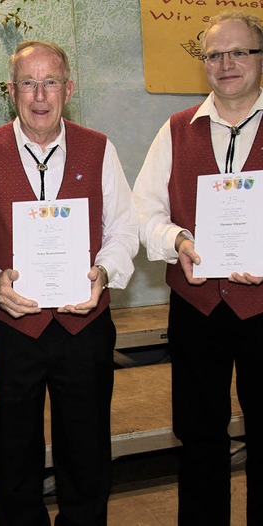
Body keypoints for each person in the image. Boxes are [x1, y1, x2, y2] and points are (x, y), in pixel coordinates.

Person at [0, 40, 138, 525]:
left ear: (69, 88)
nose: (39, 96)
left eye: (50, 83)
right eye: (28, 83)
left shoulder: (99, 148)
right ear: (11, 91)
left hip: (84, 330)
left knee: (86, 459)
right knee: (12, 460)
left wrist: (102, 273)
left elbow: (124, 228)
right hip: (11, 334)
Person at [133, 10, 263, 526]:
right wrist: (178, 240)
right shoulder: (174, 130)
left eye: (239, 52)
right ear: (202, 63)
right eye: (214, 55)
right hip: (197, 308)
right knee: (200, 438)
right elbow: (143, 213)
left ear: (260, 59)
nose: (226, 64)